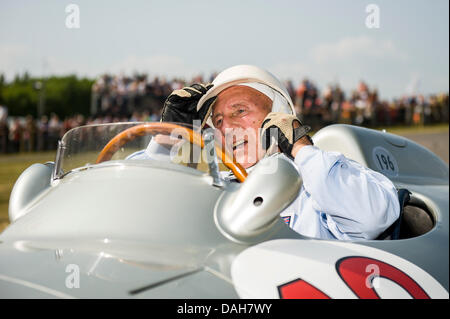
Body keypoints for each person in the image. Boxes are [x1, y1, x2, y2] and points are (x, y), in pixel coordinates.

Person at [157, 65, 400, 240]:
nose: (226, 127)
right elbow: (153, 218)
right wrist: (166, 141)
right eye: (218, 120)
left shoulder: (317, 185)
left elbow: (371, 218)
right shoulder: (212, 189)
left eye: (239, 111)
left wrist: (301, 149)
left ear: (278, 114)